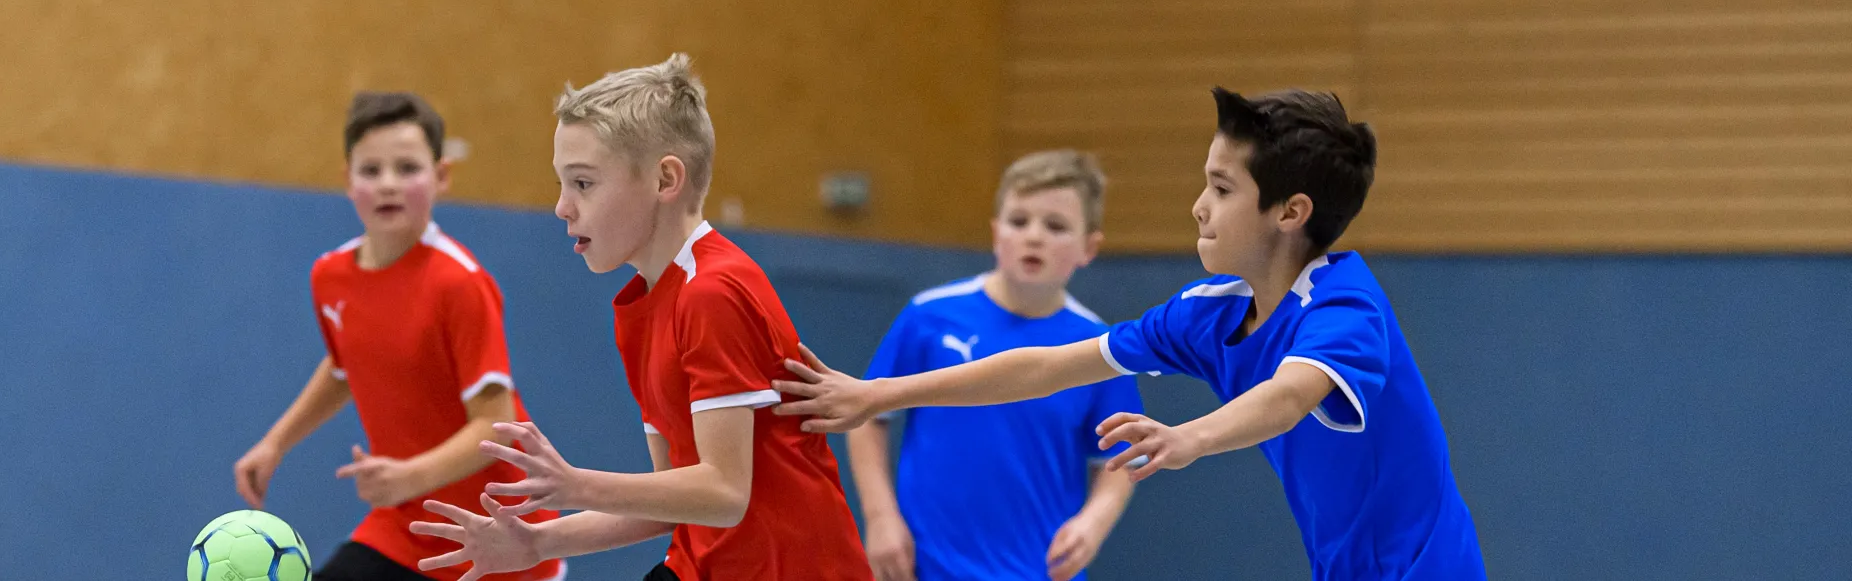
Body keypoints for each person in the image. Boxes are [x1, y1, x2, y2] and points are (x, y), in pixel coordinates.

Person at [773, 87, 1487, 580]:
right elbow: (1048, 365)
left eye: (1223, 188)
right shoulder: (1206, 314)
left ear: (1290, 211)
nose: (1198, 205)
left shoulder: (1345, 305)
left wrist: (1189, 437)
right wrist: (879, 393)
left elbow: (1288, 394)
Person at [408, 54, 872, 581]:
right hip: (702, 565)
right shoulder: (641, 307)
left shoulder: (712, 292)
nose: (562, 207)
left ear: (665, 179)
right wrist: (539, 541)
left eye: (583, 184)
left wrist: (577, 484)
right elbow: (672, 496)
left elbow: (723, 493)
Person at [233, 92, 564, 581]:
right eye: (371, 170)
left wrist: (409, 477)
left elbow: (495, 424)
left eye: (407, 167)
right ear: (348, 180)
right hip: (405, 526)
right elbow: (346, 365)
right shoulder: (330, 276)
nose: (388, 184)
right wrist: (275, 443)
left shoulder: (461, 284)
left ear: (442, 176)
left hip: (500, 537)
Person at [849, 150, 1141, 581]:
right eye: (1018, 221)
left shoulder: (1099, 348)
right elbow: (867, 414)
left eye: (1056, 226)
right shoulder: (930, 316)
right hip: (927, 566)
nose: (1034, 237)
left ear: (1089, 247)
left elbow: (1122, 456)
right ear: (995, 233)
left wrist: (1094, 523)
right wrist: (880, 517)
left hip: (1039, 570)